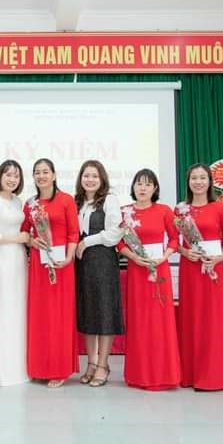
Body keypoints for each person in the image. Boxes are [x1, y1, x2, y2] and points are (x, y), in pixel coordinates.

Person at [118, 169, 181, 390]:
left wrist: (164, 256)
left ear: (155, 188)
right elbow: (119, 243)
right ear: (133, 187)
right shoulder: (125, 212)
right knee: (140, 321)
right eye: (139, 183)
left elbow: (174, 239)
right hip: (137, 271)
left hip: (159, 270)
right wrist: (134, 257)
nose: (142, 188)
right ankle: (140, 374)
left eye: (147, 184)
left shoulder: (164, 211)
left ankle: (165, 374)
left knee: (160, 322)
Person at [175, 163, 223, 390]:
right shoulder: (180, 210)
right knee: (191, 318)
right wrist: (184, 252)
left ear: (210, 182)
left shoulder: (220, 208)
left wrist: (220, 258)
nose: (198, 182)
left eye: (202, 178)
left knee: (213, 320)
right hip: (190, 269)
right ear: (188, 182)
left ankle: (213, 376)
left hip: (213, 269)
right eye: (194, 178)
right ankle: (190, 374)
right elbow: (173, 241)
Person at [22, 158, 79, 388]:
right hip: (39, 265)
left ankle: (58, 368)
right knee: (41, 315)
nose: (41, 176)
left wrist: (69, 258)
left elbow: (74, 233)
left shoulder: (66, 200)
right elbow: (24, 232)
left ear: (54, 175)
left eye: (45, 172)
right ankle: (39, 367)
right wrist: (32, 241)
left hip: (62, 264)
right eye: (37, 172)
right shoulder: (30, 204)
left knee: (59, 316)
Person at [74, 160, 123, 387]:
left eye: (94, 176)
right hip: (82, 264)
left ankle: (103, 365)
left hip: (103, 261)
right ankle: (91, 363)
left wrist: (87, 242)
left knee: (104, 312)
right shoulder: (77, 202)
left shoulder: (109, 200)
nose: (90, 179)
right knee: (88, 312)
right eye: (86, 175)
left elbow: (115, 233)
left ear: (102, 178)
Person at [0, 160, 30, 386]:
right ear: (0, 176)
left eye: (16, 176)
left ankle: (19, 368)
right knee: (4, 310)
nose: (12, 179)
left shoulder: (18, 201)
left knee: (18, 311)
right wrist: (16, 238)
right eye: (8, 174)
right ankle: (4, 371)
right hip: (2, 256)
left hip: (19, 259)